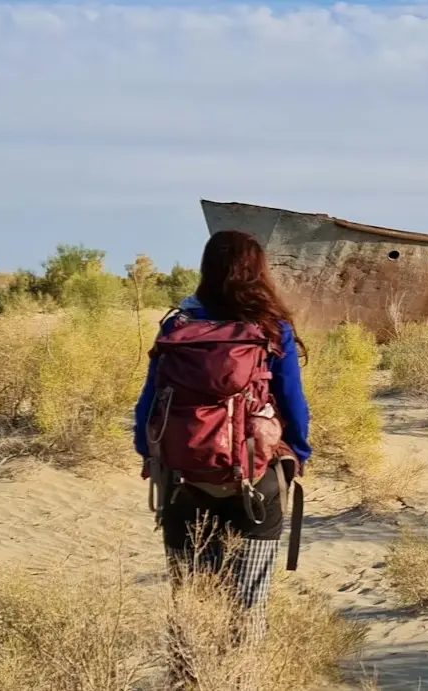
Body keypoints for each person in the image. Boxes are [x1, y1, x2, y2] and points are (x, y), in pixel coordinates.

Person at [134, 229, 312, 642]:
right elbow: (293, 403)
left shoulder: (177, 325)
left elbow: (148, 403)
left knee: (191, 604)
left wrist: (150, 455)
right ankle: (240, 677)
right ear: (258, 272)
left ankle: (190, 679)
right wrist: (299, 452)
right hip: (256, 476)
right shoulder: (272, 328)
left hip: (183, 479)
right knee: (248, 606)